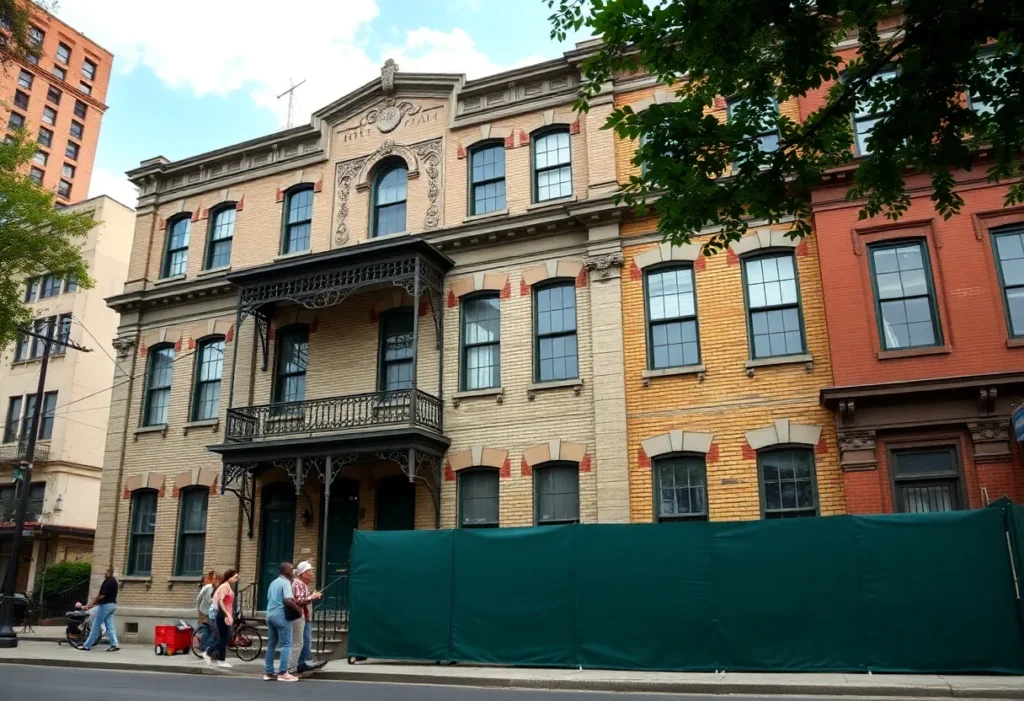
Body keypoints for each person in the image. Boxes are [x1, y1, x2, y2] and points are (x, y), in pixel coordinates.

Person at [264, 562, 301, 682]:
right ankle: (283, 673)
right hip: (281, 615)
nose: (293, 571)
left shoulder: (273, 583)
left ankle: (268, 672)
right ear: (285, 571)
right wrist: (298, 610)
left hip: (270, 615)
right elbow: (287, 600)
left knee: (271, 644)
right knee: (286, 644)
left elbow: (269, 598)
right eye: (291, 569)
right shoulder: (285, 583)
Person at [288, 561, 326, 675]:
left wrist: (311, 596)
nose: (311, 573)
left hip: (305, 617)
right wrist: (312, 597)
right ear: (302, 573)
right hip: (300, 617)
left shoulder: (303, 584)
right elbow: (299, 600)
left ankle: (302, 663)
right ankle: (296, 665)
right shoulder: (299, 583)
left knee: (305, 641)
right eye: (309, 571)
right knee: (300, 641)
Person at [203, 569, 239, 669]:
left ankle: (221, 660)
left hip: (225, 614)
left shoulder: (226, 586)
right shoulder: (225, 586)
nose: (237, 579)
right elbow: (220, 601)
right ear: (229, 577)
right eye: (235, 577)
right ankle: (209, 652)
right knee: (224, 637)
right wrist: (228, 614)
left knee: (225, 637)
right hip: (223, 615)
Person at [80, 567, 119, 652]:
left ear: (111, 572)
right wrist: (92, 604)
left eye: (107, 571)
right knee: (109, 625)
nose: (105, 572)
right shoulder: (114, 582)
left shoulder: (107, 582)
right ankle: (114, 644)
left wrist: (92, 603)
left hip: (105, 606)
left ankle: (87, 645)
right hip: (113, 605)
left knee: (96, 625)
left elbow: (102, 595)